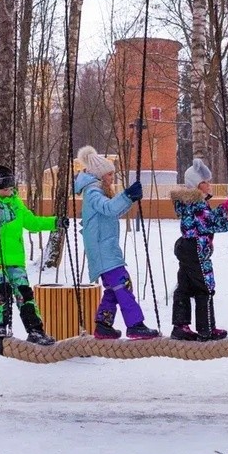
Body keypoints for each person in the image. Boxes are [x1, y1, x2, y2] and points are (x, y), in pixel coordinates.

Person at [74, 145, 159, 340]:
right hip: (103, 251)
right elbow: (109, 208)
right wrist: (126, 195)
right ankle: (135, 325)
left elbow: (113, 212)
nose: (112, 178)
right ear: (101, 175)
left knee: (113, 289)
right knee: (123, 284)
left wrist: (129, 199)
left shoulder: (96, 191)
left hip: (106, 249)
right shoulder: (93, 192)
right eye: (110, 175)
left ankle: (103, 325)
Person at [0, 165, 66, 345]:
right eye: (5, 188)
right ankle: (0, 325)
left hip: (15, 258)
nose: (9, 191)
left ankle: (35, 330)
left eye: (10, 188)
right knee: (1, 287)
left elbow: (32, 222)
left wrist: (55, 222)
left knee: (24, 292)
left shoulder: (17, 203)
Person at [169, 158, 228, 341]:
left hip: (187, 247)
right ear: (197, 185)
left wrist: (226, 206)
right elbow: (211, 223)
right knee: (205, 287)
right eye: (205, 182)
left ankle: (180, 326)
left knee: (184, 286)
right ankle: (207, 328)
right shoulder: (197, 204)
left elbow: (207, 218)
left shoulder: (189, 202)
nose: (209, 185)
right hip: (197, 248)